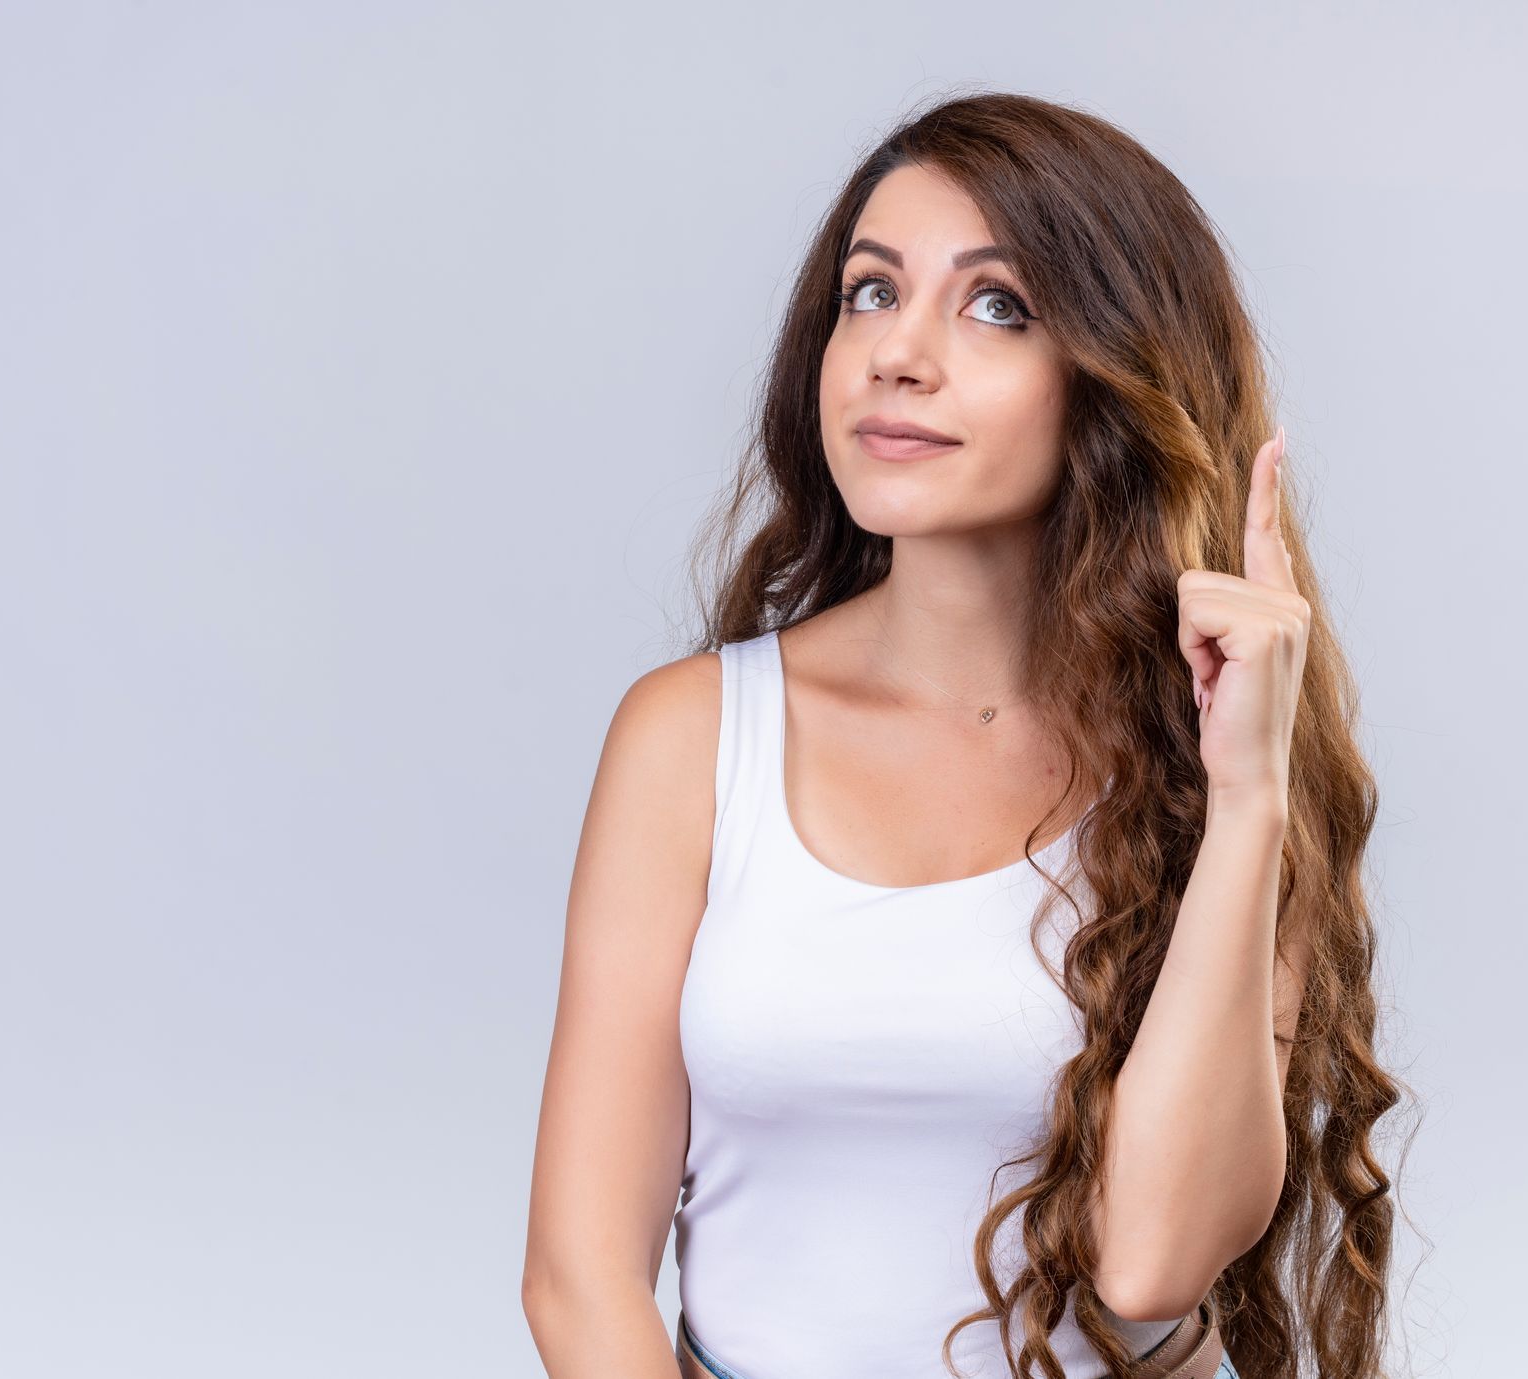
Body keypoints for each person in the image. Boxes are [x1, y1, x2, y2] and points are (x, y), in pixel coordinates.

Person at [521, 91, 1407, 1379]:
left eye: (997, 307)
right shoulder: (692, 736)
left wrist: (1250, 798)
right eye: (871, 293)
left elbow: (1154, 1260)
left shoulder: (1228, 768)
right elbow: (579, 1275)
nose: (899, 352)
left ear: (1116, 375)